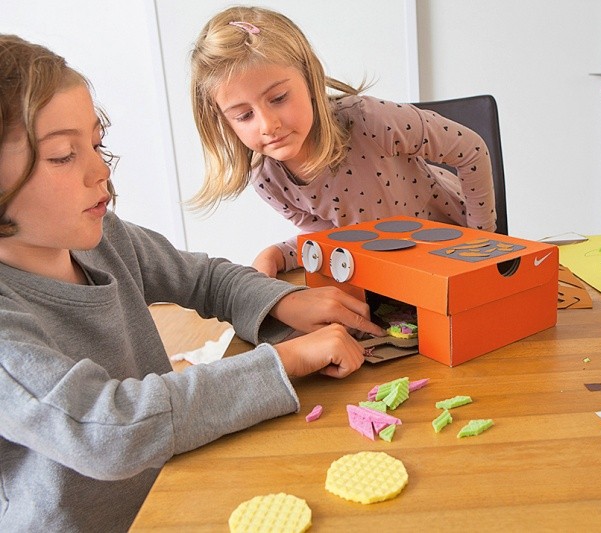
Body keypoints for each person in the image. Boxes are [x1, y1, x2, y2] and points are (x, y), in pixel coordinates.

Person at [0, 35, 385, 532]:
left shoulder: (101, 236)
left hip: (170, 491)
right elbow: (108, 430)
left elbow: (204, 277)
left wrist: (283, 301)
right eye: (61, 156)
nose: (101, 172)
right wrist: (283, 361)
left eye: (96, 144)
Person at [190, 6, 497, 276]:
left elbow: (471, 150)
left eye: (279, 98)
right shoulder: (268, 181)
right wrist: (277, 255)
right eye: (244, 116)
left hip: (456, 255)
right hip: (397, 278)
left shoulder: (370, 119)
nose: (269, 125)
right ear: (225, 123)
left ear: (310, 80)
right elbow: (337, 242)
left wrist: (484, 248)